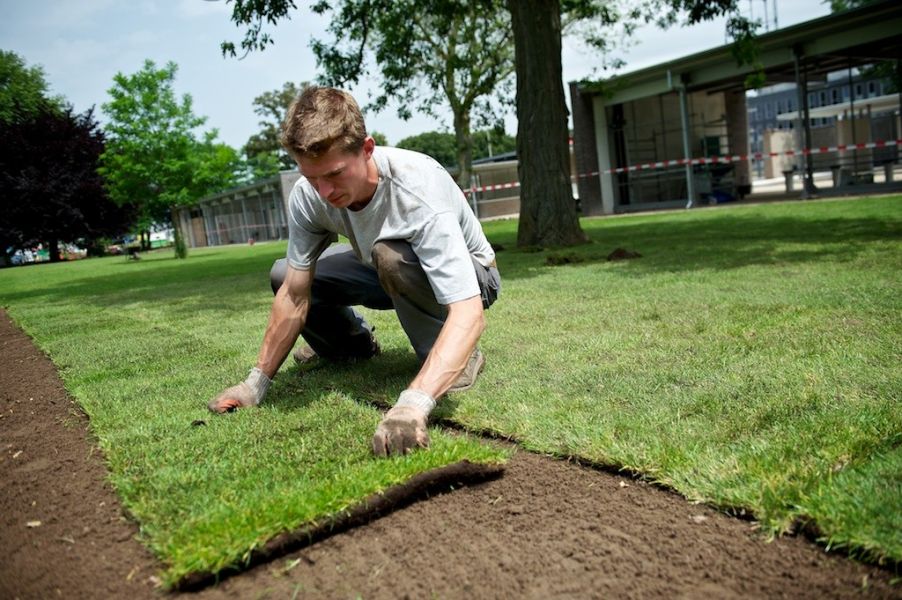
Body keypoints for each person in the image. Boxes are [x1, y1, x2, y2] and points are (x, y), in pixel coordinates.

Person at [208, 86, 500, 457]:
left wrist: (414, 404)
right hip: (380, 266)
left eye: (334, 174)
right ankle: (352, 345)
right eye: (312, 178)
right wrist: (255, 384)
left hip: (475, 278)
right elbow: (295, 294)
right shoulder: (308, 194)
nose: (324, 191)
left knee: (390, 254)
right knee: (285, 274)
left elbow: (468, 311)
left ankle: (451, 359)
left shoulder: (417, 190)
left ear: (366, 149)